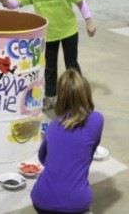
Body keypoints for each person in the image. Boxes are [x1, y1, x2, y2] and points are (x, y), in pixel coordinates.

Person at [0, 0, 96, 110]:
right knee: (50, 68)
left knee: (72, 65)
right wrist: (4, 0)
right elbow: (14, 4)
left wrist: (89, 21)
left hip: (69, 31)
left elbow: (80, 3)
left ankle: (78, 96)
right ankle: (50, 96)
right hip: (48, 36)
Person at [31, 69, 104, 213]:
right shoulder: (97, 120)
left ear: (61, 98)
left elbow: (43, 158)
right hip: (76, 203)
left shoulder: (53, 126)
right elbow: (90, 150)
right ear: (86, 93)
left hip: (41, 200)